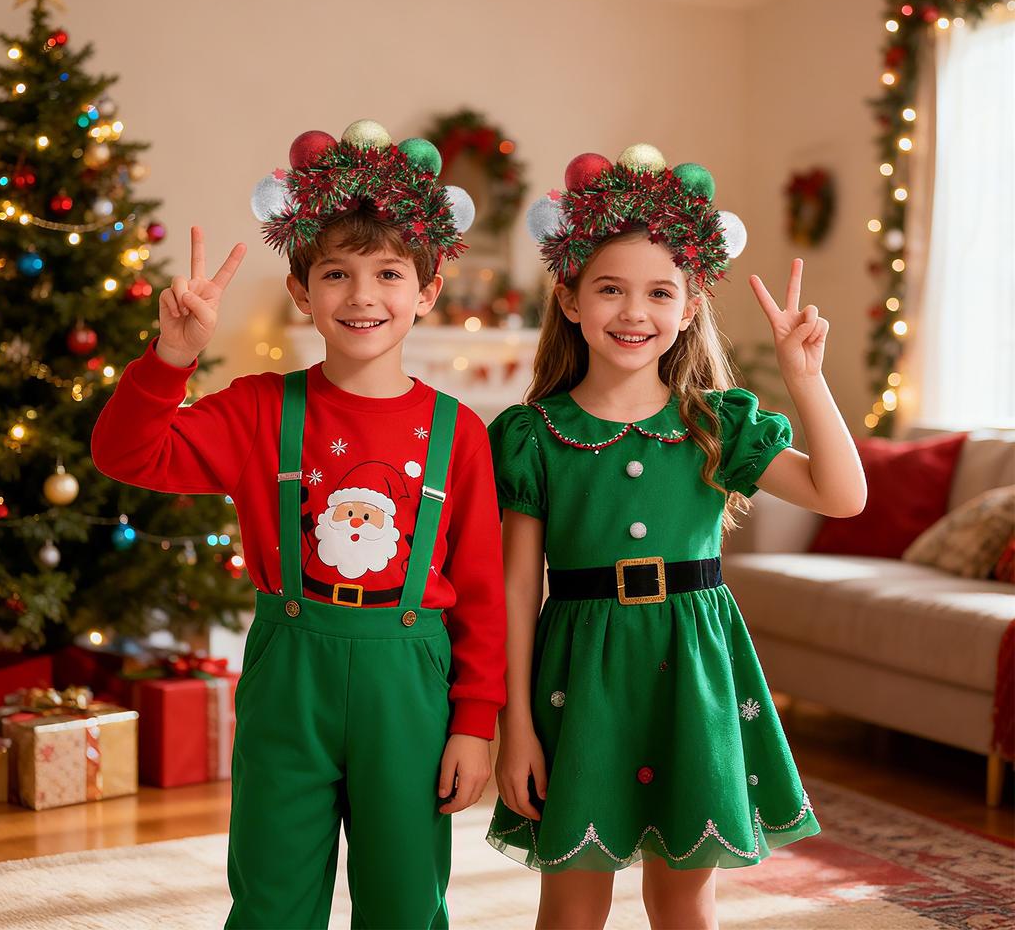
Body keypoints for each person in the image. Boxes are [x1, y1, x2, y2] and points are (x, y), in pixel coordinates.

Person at [91, 120, 506, 930]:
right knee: (272, 894)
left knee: (405, 901)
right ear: (302, 291)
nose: (361, 296)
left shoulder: (463, 434)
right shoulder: (255, 408)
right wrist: (168, 360)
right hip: (291, 676)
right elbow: (123, 455)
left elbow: (485, 594)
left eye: (389, 274)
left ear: (426, 292)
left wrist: (476, 722)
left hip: (411, 686)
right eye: (336, 273)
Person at [487, 147, 866, 929]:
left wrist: (806, 377)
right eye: (611, 290)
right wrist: (513, 725)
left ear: (690, 307)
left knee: (687, 891)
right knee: (573, 890)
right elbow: (516, 590)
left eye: (660, 293)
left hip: (693, 669)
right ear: (570, 299)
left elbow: (843, 495)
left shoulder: (717, 424)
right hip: (578, 675)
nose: (635, 312)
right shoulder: (531, 435)